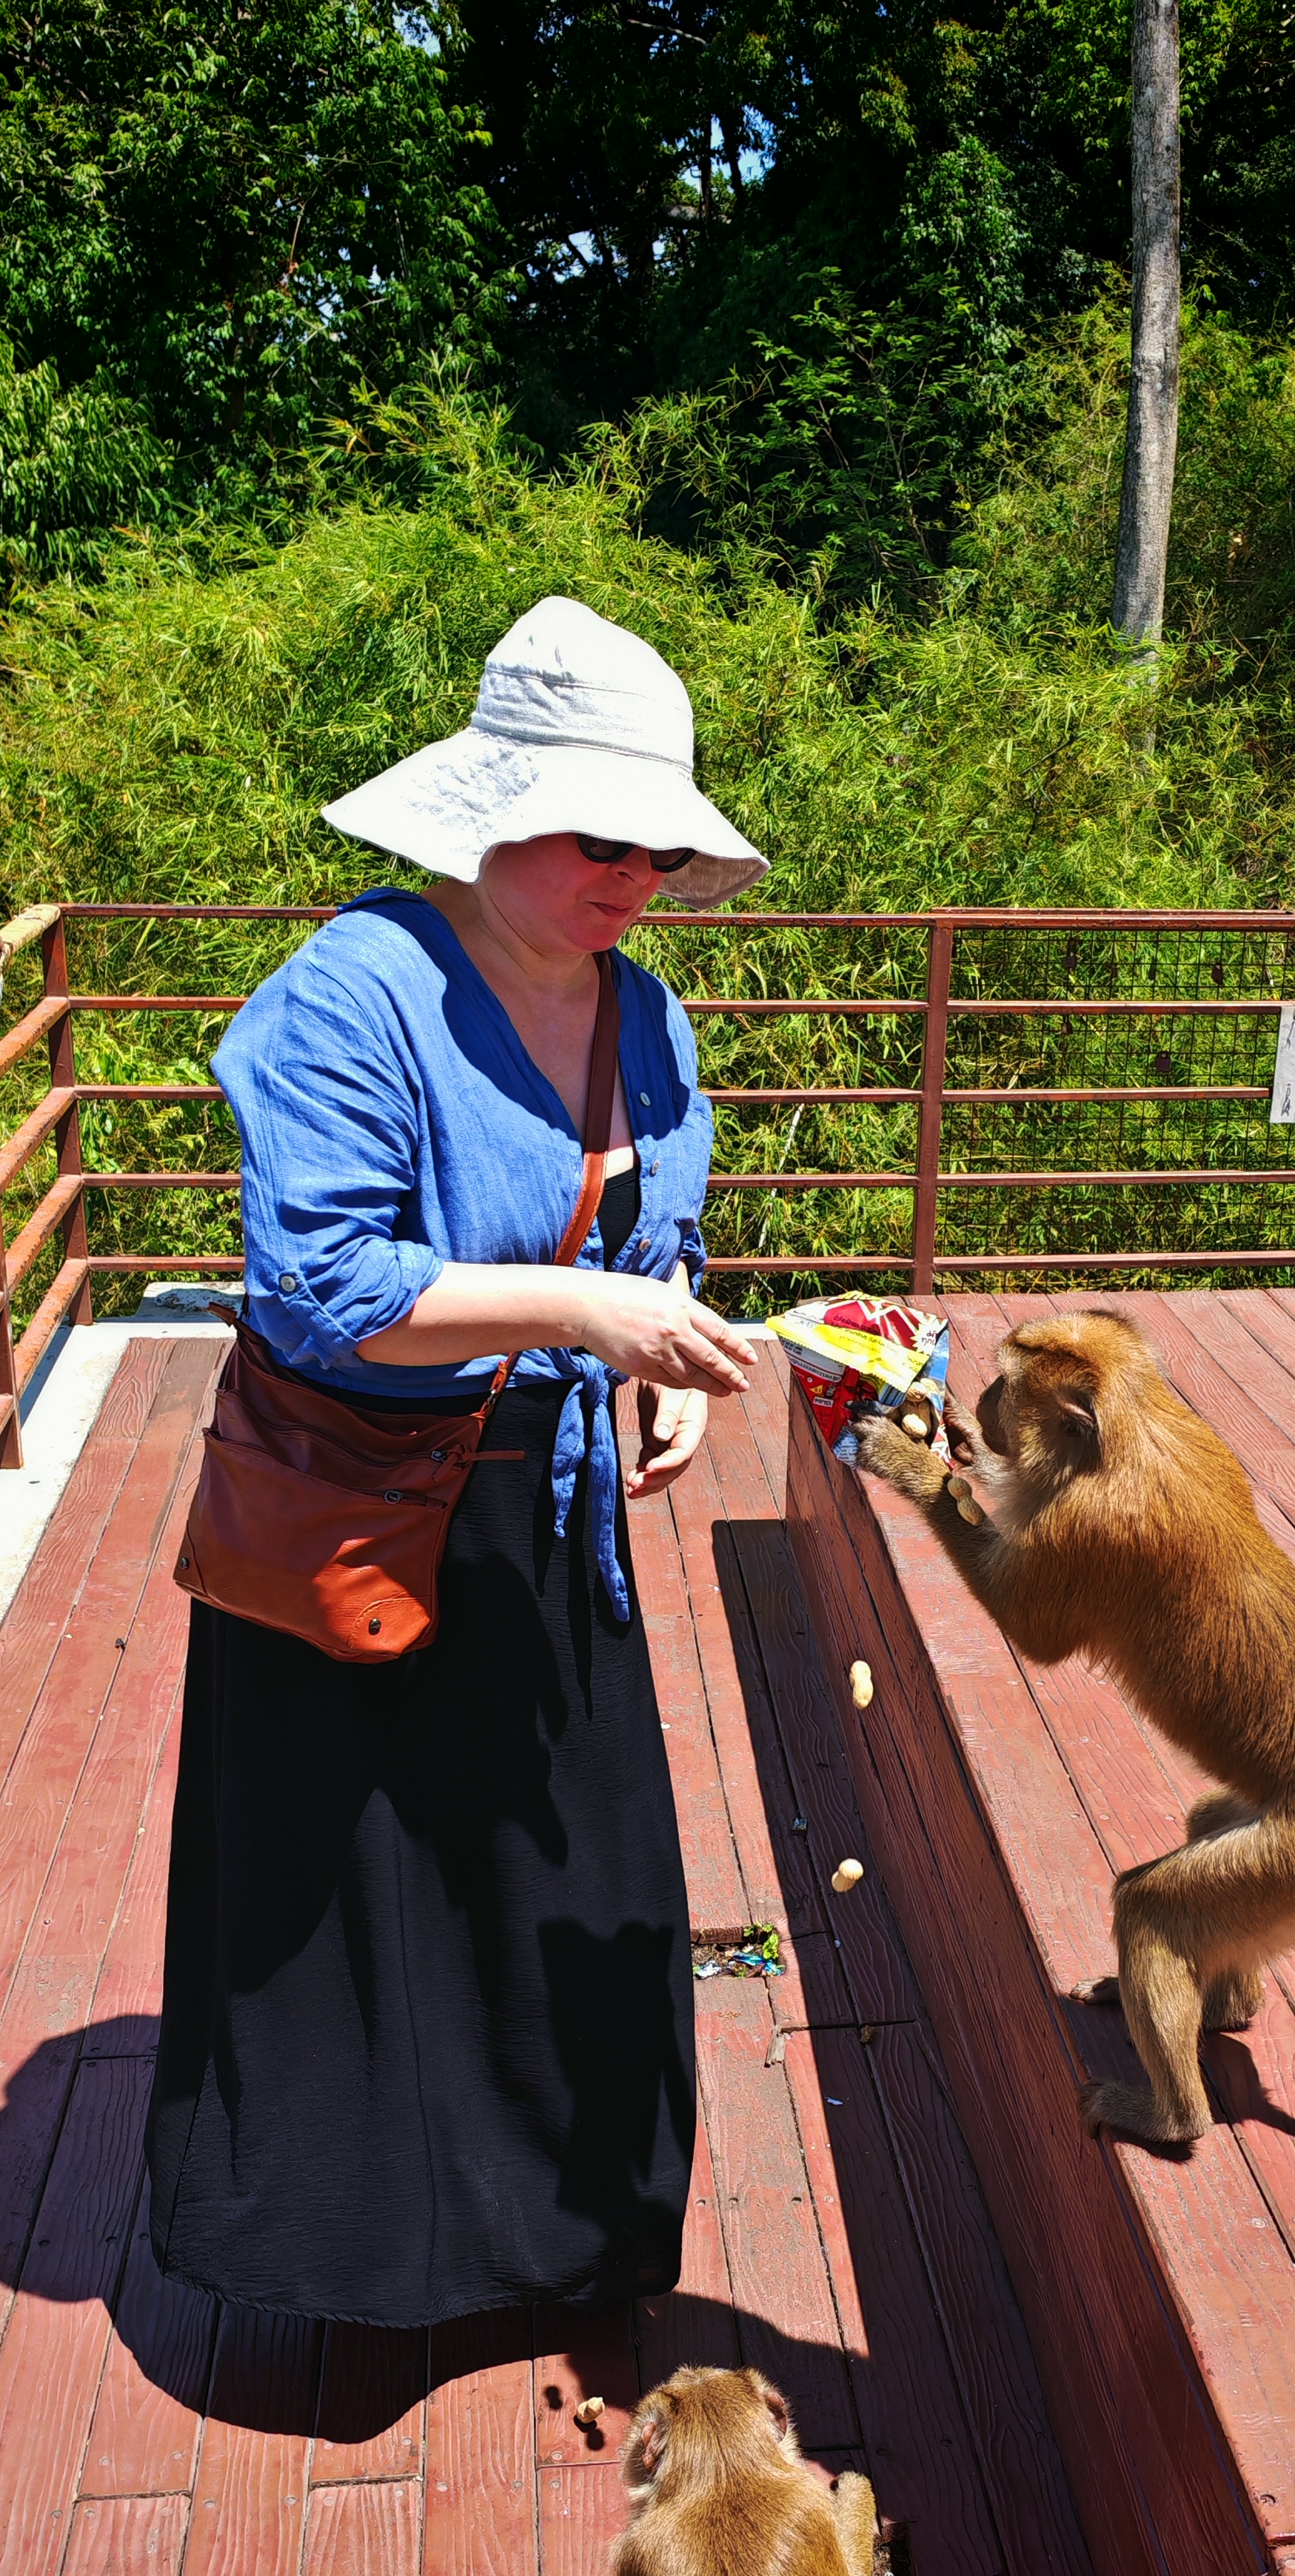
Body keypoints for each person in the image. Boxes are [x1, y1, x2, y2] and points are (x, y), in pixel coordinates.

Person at [144, 597, 766, 2331]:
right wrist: (580, 1307)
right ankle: (355, 2271)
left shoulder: (645, 1014)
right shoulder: (358, 991)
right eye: (596, 834)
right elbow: (324, 1289)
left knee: (579, 1878)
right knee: (354, 1909)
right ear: (487, 813)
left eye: (659, 839)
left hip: (548, 1512)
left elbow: (665, 1241)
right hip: (366, 1503)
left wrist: (669, 1357)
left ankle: (566, 2238)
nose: (635, 871)